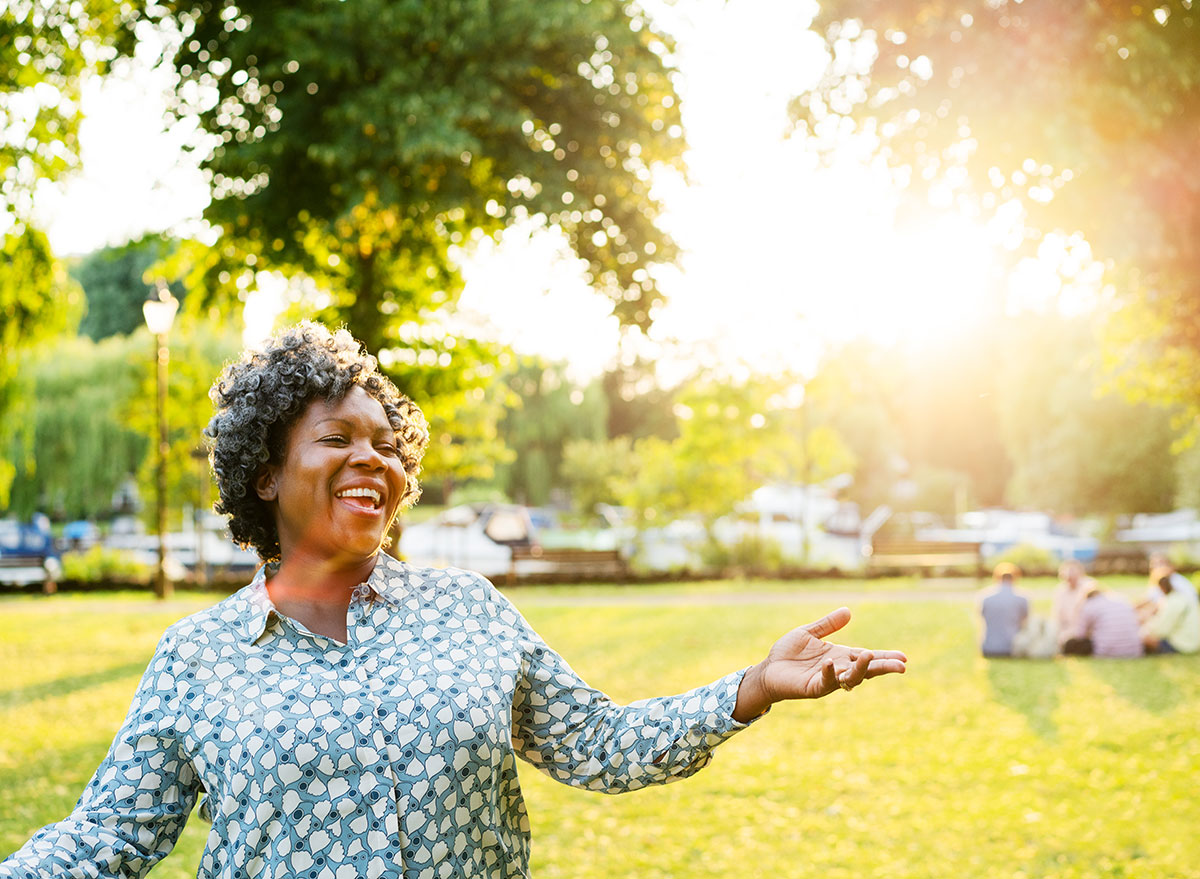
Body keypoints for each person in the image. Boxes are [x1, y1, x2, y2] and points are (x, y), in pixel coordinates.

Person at [0, 323, 907, 879]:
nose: (375, 459)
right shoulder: (199, 658)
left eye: (388, 444)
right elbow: (106, 839)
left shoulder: (469, 610)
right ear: (268, 473)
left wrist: (752, 685)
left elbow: (601, 746)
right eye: (337, 438)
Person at [1061, 586, 1143, 658]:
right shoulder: (1123, 601)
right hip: (1134, 651)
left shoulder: (1088, 606)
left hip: (1106, 652)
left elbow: (1079, 634)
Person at [1141, 573, 1200, 655]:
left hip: (1183, 645)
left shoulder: (1172, 601)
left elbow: (1161, 631)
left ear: (1161, 588)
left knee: (1144, 640)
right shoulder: (1182, 598)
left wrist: (1146, 624)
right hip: (1192, 643)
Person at [980, 562, 1029, 657]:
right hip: (1012, 649)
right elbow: (1026, 622)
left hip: (988, 648)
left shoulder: (985, 597)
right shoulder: (1022, 598)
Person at [1135, 554, 1198, 622]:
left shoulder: (1175, 581)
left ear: (1171, 566)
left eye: (1161, 564)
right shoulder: (1162, 580)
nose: (1157, 568)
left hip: (1183, 618)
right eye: (1154, 565)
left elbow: (1161, 604)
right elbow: (1149, 598)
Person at [1051, 560, 1095, 647]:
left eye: (1072, 572)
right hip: (1067, 630)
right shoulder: (1060, 590)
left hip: (1086, 631)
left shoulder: (1089, 586)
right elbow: (1057, 617)